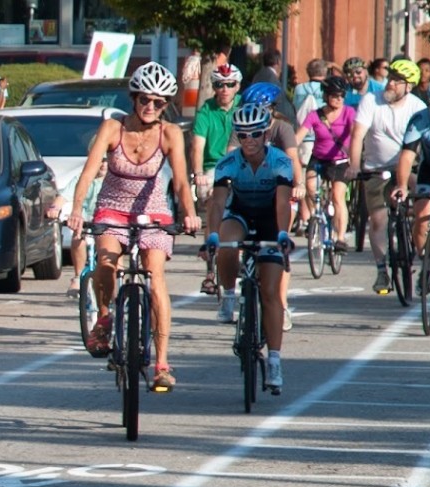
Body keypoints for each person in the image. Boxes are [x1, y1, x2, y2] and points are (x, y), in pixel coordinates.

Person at [60, 61, 201, 390]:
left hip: (152, 210)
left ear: (166, 105)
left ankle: (162, 362)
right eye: (145, 100)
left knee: (155, 276)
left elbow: (180, 183)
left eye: (159, 103)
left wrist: (190, 212)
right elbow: (88, 171)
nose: (151, 107)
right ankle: (106, 315)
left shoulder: (170, 133)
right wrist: (78, 209)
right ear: (133, 98)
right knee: (107, 263)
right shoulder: (113, 128)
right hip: (112, 206)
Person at [204, 104, 296, 391]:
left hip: (270, 219)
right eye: (243, 135)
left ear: (266, 133)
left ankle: (274, 361)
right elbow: (218, 202)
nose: (250, 140)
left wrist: (282, 234)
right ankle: (229, 295)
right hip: (240, 214)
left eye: (256, 134)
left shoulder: (280, 161)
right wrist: (211, 236)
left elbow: (282, 202)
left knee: (270, 294)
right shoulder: (228, 163)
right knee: (227, 243)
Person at [346, 57, 425, 294]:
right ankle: (382, 271)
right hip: (376, 168)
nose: (390, 84)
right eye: (390, 78)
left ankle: (427, 265)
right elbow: (358, 134)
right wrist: (354, 165)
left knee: (423, 213)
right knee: (379, 219)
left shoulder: (418, 108)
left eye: (397, 81)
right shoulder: (371, 100)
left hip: (408, 168)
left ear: (408, 87)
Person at [390, 77, 430, 275]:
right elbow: (407, 157)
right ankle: (427, 264)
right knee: (422, 219)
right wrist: (402, 186)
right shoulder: (420, 119)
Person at [303, 76, 357, 252]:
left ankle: (340, 238)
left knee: (337, 196)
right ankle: (314, 217)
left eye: (342, 95)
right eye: (334, 95)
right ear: (325, 96)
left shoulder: (348, 112)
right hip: (319, 158)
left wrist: (355, 160)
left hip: (340, 161)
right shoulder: (315, 115)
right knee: (310, 187)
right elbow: (298, 136)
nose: (339, 99)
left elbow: (356, 135)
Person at [191, 63, 243, 207]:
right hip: (214, 167)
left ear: (237, 86)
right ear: (214, 87)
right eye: (220, 85)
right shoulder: (206, 111)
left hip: (242, 165)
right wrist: (198, 173)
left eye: (230, 84)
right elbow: (197, 146)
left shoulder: (245, 106)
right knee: (214, 205)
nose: (225, 89)